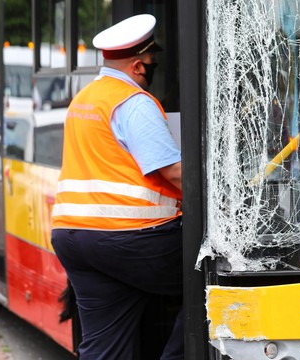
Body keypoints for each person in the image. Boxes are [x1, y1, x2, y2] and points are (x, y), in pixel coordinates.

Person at [50, 14, 183, 360]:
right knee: (215, 278)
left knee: (104, 347)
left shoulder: (86, 98)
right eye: (152, 62)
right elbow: (174, 173)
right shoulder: (133, 102)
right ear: (139, 66)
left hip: (72, 237)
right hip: (129, 238)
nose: (153, 69)